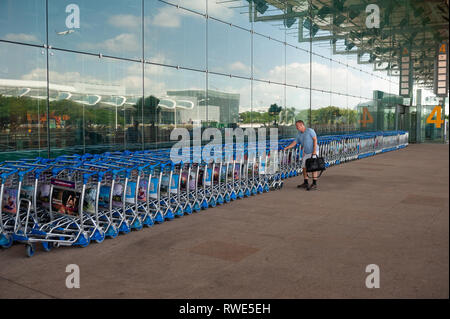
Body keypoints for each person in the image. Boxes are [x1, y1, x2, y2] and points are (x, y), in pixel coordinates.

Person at [284, 120, 319, 191]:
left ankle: (314, 184)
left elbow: (315, 140)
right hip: (306, 152)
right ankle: (306, 182)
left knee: (313, 167)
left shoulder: (310, 131)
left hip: (313, 151)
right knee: (304, 167)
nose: (296, 127)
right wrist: (287, 147)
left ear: (302, 125)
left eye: (297, 126)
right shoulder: (299, 134)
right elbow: (294, 142)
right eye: (296, 126)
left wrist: (314, 151)